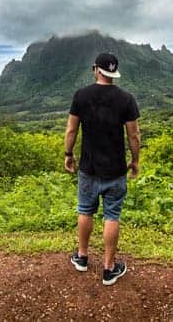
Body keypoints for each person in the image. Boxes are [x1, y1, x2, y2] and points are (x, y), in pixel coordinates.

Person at [64, 52, 140, 286]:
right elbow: (134, 135)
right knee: (112, 216)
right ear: (114, 73)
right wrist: (135, 160)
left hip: (88, 167)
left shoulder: (81, 96)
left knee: (85, 210)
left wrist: (68, 154)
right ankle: (109, 268)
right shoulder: (126, 99)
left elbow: (71, 130)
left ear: (96, 69)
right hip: (116, 169)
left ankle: (82, 257)